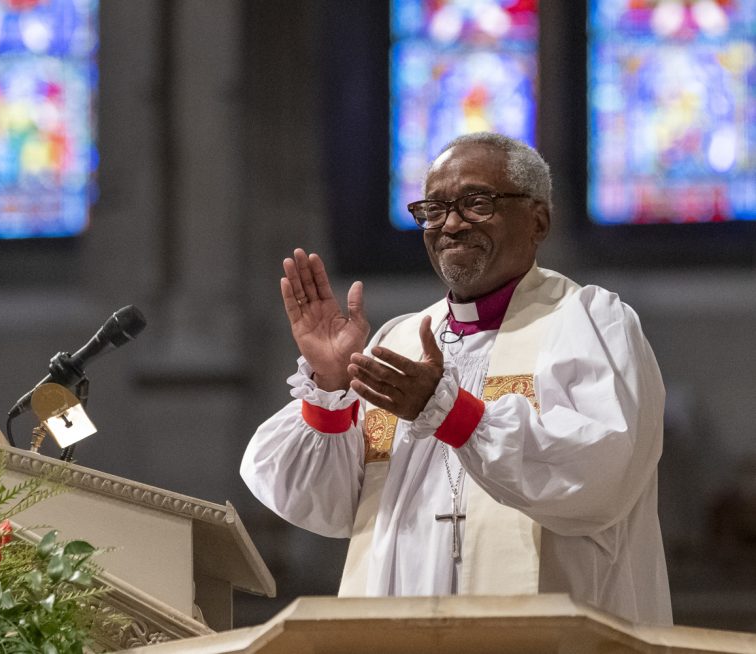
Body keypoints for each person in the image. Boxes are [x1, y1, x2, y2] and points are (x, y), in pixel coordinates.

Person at [240, 132, 672, 626]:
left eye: (476, 203)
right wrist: (332, 385)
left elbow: (600, 473)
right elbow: (324, 504)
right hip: (401, 624)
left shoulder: (589, 320)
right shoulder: (399, 340)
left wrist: (453, 414)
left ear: (538, 220)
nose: (450, 224)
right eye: (434, 208)